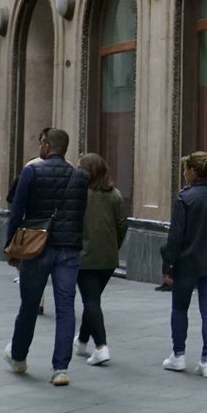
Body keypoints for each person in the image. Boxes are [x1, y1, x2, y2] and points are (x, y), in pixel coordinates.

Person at [3, 128, 88, 387]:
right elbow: (80, 214)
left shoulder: (31, 171)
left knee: (29, 305)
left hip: (36, 247)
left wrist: (11, 247)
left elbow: (17, 211)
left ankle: (18, 357)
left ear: (46, 145)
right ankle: (60, 369)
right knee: (66, 308)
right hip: (68, 248)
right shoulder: (80, 176)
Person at [161, 151, 207, 377]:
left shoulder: (184, 198)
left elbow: (176, 236)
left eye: (185, 169)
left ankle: (179, 355)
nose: (184, 174)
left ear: (193, 171)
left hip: (188, 262)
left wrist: (168, 264)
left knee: (179, 308)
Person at [74, 153, 127, 366]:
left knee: (91, 300)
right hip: (108, 258)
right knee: (93, 299)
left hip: (84, 256)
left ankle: (101, 347)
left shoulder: (79, 195)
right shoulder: (114, 195)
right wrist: (114, 245)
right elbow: (122, 225)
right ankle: (82, 341)